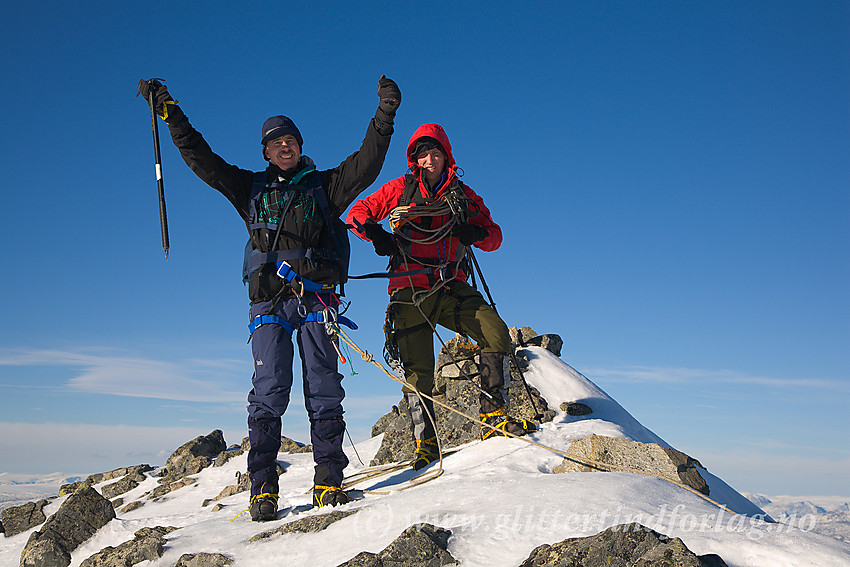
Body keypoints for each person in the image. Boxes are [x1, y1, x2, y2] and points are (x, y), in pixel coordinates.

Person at [138, 75, 401, 520]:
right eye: (276, 142)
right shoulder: (250, 189)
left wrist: (385, 117)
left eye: (291, 141)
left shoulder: (325, 186)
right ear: (265, 151)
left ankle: (329, 482)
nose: (285, 147)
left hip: (317, 300)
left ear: (300, 146)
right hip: (269, 304)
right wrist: (170, 112)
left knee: (323, 389)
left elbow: (367, 164)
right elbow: (202, 159)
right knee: (270, 390)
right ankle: (262, 488)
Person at [347, 123, 535, 471]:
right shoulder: (398, 190)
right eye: (422, 153)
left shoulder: (462, 195)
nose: (429, 159)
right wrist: (375, 235)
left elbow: (495, 237)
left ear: (446, 156)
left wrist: (475, 231)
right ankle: (426, 444)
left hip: (450, 285)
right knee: (418, 370)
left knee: (494, 331)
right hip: (409, 287)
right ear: (414, 159)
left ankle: (493, 417)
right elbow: (357, 214)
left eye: (435, 152)